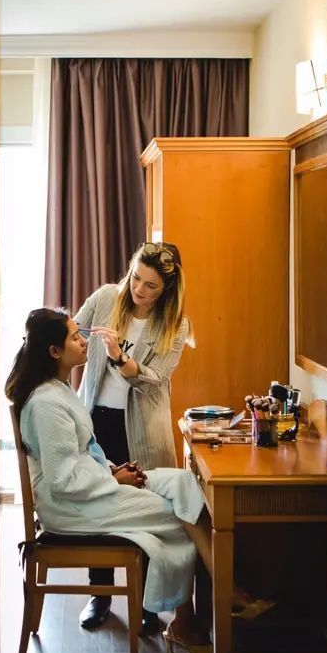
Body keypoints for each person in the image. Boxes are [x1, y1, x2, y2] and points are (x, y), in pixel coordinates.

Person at [6, 308, 215, 653]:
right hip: (72, 508)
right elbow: (63, 479)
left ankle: (206, 604)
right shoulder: (46, 403)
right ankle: (197, 614)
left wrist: (113, 469)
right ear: (55, 352)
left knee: (183, 484)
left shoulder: (57, 389)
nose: (84, 340)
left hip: (91, 491)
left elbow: (78, 456)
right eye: (75, 336)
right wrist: (113, 478)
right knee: (182, 513)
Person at [73, 241, 192, 630]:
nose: (138, 290)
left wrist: (121, 359)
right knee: (99, 511)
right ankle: (100, 595)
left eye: (150, 286)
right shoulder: (107, 298)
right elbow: (72, 332)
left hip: (142, 427)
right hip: (96, 420)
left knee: (146, 513)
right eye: (136, 278)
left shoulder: (175, 326)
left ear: (166, 292)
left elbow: (156, 380)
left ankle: (147, 605)